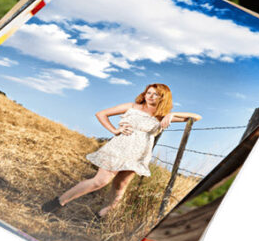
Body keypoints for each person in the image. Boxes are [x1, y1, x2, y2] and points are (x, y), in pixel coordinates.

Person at [41, 83, 201, 218]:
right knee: (100, 181)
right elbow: (101, 114)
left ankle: (102, 216)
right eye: (149, 93)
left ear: (163, 98)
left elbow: (196, 116)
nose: (150, 96)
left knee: (121, 185)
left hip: (138, 154)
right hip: (119, 148)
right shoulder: (132, 107)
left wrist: (172, 115)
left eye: (156, 94)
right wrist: (114, 130)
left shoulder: (162, 116)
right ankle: (58, 202)